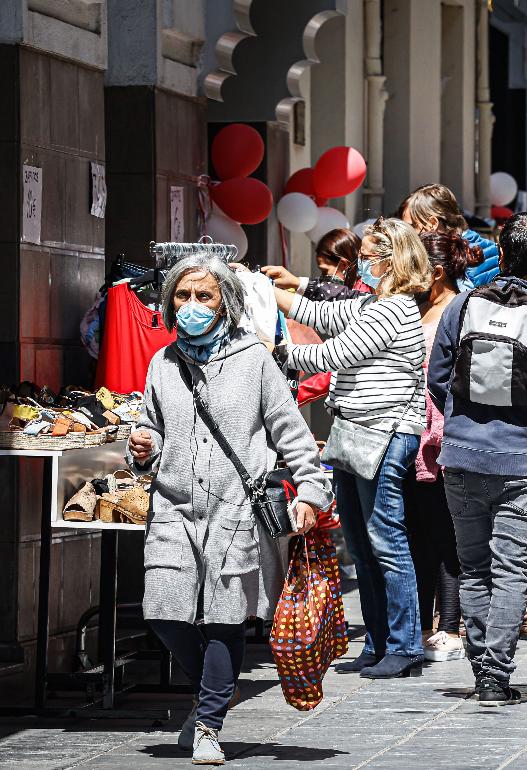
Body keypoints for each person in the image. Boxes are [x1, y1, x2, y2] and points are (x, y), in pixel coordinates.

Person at [128, 256, 330, 764]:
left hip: (235, 509)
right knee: (162, 609)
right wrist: (144, 443)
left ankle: (209, 723)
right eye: (183, 296)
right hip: (173, 505)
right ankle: (216, 688)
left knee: (223, 617)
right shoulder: (163, 363)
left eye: (205, 296)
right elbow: (153, 424)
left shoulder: (253, 360)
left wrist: (310, 491)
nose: (192, 306)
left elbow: (291, 432)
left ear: (226, 303)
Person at [427, 212, 527, 706]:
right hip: (518, 464)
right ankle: (497, 675)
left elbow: (436, 377)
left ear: (502, 251)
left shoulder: (462, 306)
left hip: (462, 458)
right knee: (511, 569)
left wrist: (461, 420)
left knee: (473, 569)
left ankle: (478, 666)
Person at [273, 218, 431, 679]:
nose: (364, 260)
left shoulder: (394, 309)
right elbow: (319, 315)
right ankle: (380, 642)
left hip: (387, 432)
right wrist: (266, 289)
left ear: (393, 259)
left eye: (371, 253)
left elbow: (331, 355)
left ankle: (405, 646)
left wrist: (276, 349)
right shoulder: (371, 303)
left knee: (386, 539)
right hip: (354, 432)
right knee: (361, 543)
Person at [402, 231, 485, 664]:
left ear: (435, 272)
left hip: (442, 436)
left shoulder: (459, 309)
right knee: (416, 532)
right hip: (411, 434)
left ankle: (450, 626)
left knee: (444, 534)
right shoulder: (413, 308)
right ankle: (420, 624)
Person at [396, 183, 500, 287]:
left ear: (432, 224)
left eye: (410, 227)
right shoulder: (494, 249)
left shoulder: (456, 262)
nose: (406, 235)